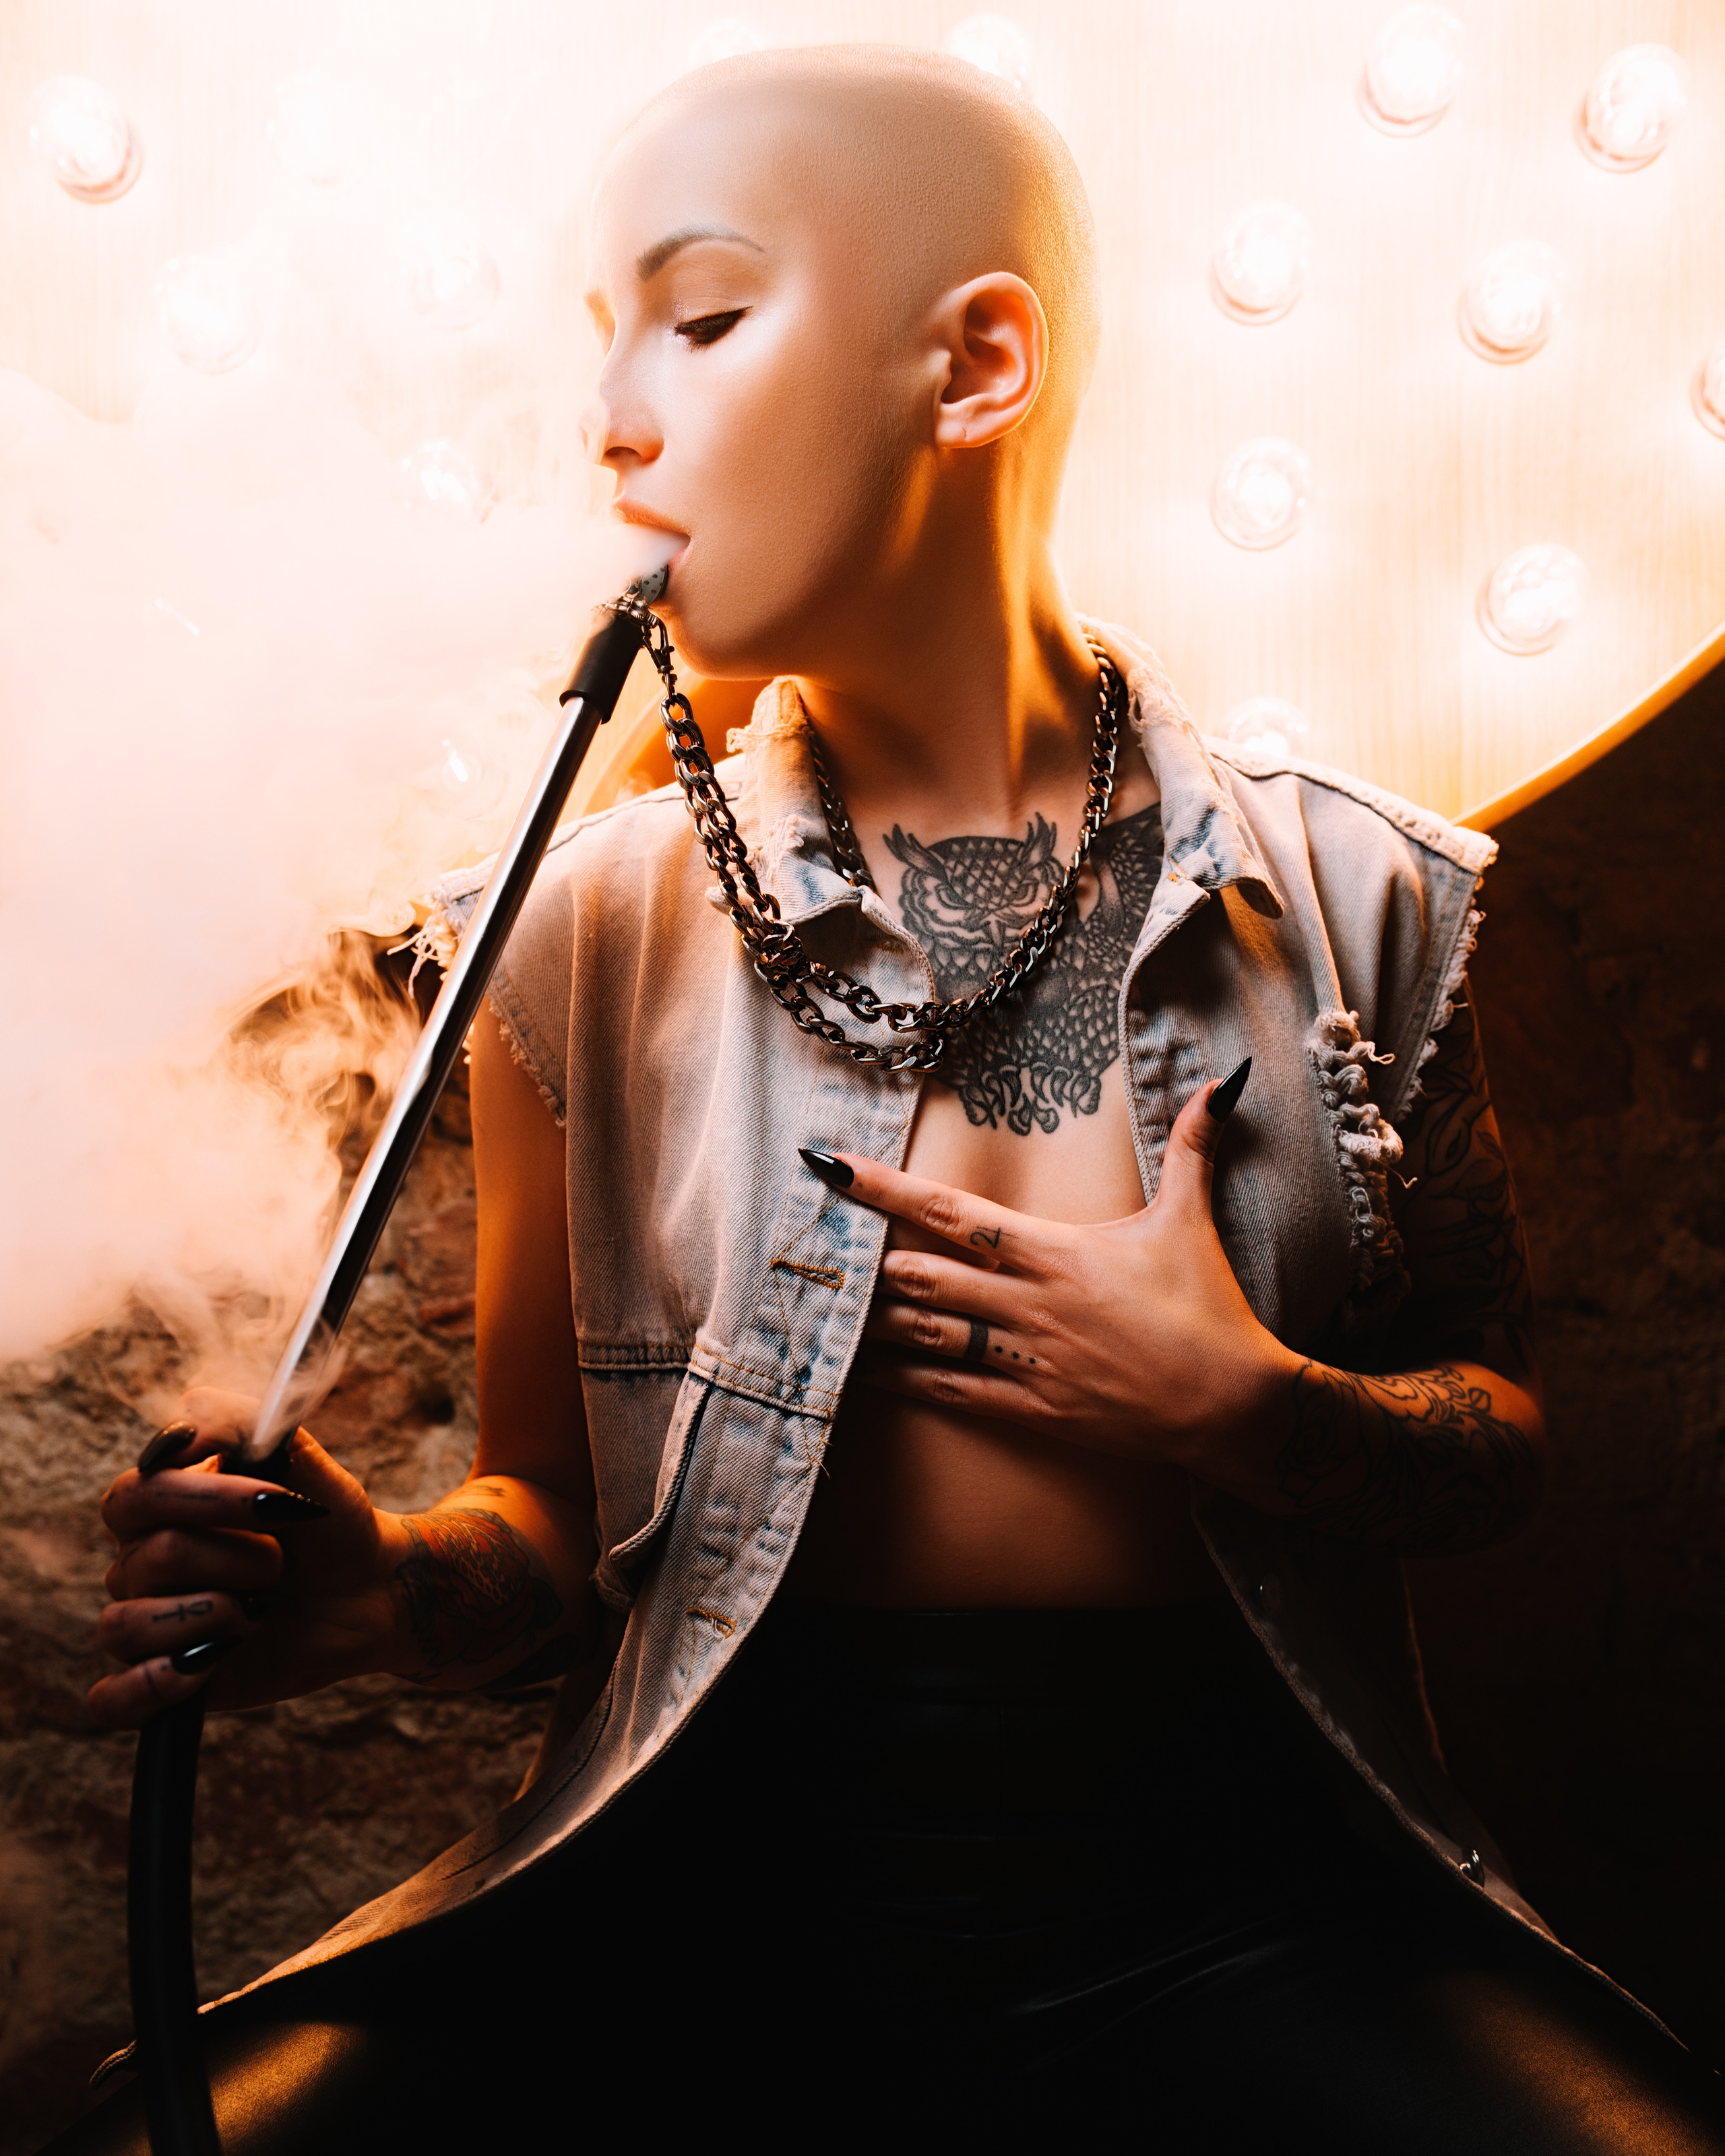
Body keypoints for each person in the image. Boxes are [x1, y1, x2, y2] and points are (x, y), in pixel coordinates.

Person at [65, 44, 1724, 2154]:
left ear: (977, 363)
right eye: (606, 341)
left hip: (1239, 1902)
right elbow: (555, 1538)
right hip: (690, 1892)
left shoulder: (1368, 895)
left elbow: (1494, 1441)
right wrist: (385, 1586)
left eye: (708, 315)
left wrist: (1249, 1409)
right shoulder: (575, 930)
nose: (614, 423)